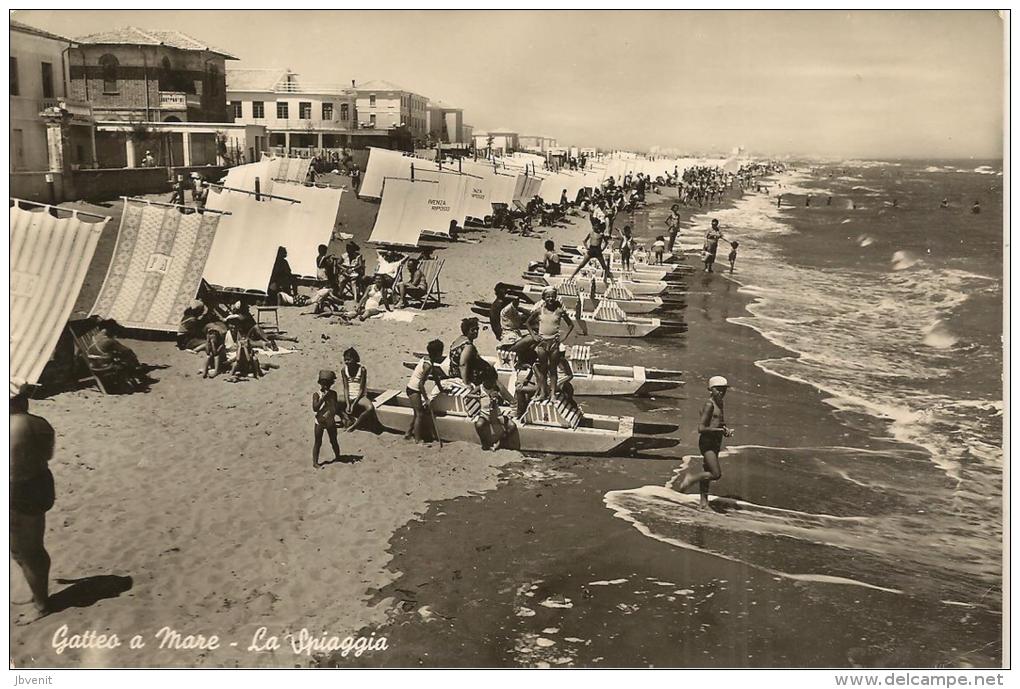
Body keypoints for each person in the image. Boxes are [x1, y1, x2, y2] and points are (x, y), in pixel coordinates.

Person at [10, 386, 55, 619]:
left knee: (25, 550)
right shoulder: (41, 424)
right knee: (25, 547)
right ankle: (37, 591)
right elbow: (47, 455)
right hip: (39, 485)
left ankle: (41, 604)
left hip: (17, 491)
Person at [677, 376, 734, 509]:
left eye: (724, 390)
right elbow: (701, 428)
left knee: (707, 470)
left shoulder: (720, 403)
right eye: (718, 390)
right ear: (711, 389)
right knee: (715, 474)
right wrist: (719, 430)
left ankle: (703, 502)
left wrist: (725, 430)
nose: (721, 392)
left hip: (715, 441)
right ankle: (691, 478)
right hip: (707, 442)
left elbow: (720, 422)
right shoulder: (709, 405)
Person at [525, 287, 574, 401]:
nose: (550, 298)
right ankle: (542, 394)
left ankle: (552, 395)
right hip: (542, 343)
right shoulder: (539, 311)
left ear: (555, 297)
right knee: (543, 369)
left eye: (553, 296)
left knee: (553, 370)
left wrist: (564, 337)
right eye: (548, 296)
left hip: (554, 344)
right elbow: (527, 323)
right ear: (544, 298)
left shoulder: (559, 311)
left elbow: (570, 325)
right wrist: (533, 335)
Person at [90, 319, 151, 389]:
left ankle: (140, 375)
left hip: (94, 366)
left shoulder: (94, 337)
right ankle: (141, 376)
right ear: (108, 329)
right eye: (113, 329)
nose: (114, 331)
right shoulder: (108, 341)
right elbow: (127, 350)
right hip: (104, 367)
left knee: (124, 357)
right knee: (129, 357)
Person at [405, 339, 446, 444]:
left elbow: (436, 378)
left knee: (416, 413)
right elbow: (420, 384)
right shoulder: (428, 365)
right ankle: (418, 440)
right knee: (420, 414)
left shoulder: (428, 360)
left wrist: (442, 389)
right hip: (413, 389)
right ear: (437, 353)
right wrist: (427, 399)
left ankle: (408, 433)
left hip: (414, 388)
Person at [312, 370, 343, 468]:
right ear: (320, 383)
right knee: (318, 442)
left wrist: (343, 416)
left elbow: (335, 407)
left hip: (330, 421)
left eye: (328, 384)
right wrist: (322, 399)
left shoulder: (333, 394)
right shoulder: (316, 394)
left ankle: (338, 456)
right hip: (320, 421)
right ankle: (315, 462)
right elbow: (315, 408)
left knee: (333, 440)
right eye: (324, 384)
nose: (326, 387)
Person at [340, 347, 374, 432]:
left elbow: (361, 389)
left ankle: (355, 425)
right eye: (345, 360)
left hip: (360, 396)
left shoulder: (362, 370)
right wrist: (348, 403)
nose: (346, 362)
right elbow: (346, 388)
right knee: (331, 401)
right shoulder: (344, 370)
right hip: (349, 395)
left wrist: (353, 404)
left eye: (349, 359)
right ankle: (346, 418)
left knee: (370, 408)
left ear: (355, 359)